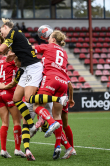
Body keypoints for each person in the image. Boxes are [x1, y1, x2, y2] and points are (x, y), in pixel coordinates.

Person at [0, 18, 67, 161]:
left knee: (28, 99)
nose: (1, 35)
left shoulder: (14, 32)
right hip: (25, 69)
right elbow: (12, 51)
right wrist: (12, 55)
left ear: (5, 27)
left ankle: (57, 106)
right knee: (16, 98)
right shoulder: (14, 36)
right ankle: (31, 123)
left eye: (1, 32)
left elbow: (2, 49)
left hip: (34, 67)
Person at [30, 30, 75, 159]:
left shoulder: (49, 46)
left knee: (37, 106)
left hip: (51, 78)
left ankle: (49, 122)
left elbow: (32, 49)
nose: (48, 39)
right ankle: (59, 147)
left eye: (49, 38)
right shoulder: (64, 53)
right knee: (57, 115)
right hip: (63, 83)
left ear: (54, 39)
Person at [0, 51, 25, 158]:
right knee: (17, 121)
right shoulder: (12, 60)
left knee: (4, 123)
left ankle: (3, 150)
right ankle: (17, 149)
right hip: (9, 91)